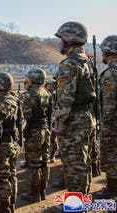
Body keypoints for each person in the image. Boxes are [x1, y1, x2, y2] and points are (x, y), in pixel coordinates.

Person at [53, 21, 96, 195]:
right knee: (81, 165)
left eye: (61, 39)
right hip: (85, 117)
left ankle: (75, 207)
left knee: (73, 167)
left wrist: (60, 124)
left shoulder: (69, 64)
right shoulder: (86, 61)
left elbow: (65, 99)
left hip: (73, 121)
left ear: (69, 39)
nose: (59, 43)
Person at [0, 72, 20, 213]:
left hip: (2, 145)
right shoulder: (15, 100)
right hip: (13, 142)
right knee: (12, 174)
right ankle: (12, 202)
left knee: (2, 177)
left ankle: (5, 206)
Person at [20, 67, 51, 203]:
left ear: (33, 80)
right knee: (44, 162)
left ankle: (34, 193)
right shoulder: (46, 93)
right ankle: (42, 191)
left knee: (34, 164)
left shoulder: (28, 95)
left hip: (34, 132)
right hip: (45, 130)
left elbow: (25, 118)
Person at [97, 35, 117, 197]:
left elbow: (109, 104)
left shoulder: (111, 74)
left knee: (111, 157)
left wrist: (107, 126)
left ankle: (112, 189)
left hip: (113, 125)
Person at [44, 79, 58, 163]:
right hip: (46, 120)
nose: (49, 87)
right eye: (47, 85)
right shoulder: (44, 95)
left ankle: (52, 155)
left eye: (50, 85)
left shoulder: (56, 95)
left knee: (53, 139)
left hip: (54, 120)